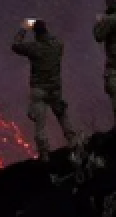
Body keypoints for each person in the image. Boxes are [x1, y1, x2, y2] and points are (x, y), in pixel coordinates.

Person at [12, 19, 78, 160]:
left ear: (35, 33)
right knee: (62, 115)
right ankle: (73, 142)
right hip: (54, 89)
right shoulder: (58, 45)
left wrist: (23, 28)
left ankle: (44, 153)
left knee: (40, 124)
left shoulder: (35, 47)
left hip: (39, 89)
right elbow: (58, 43)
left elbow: (15, 45)